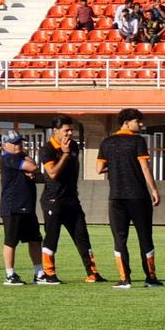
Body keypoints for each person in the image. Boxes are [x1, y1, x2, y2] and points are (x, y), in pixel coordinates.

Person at [96, 108, 162, 288]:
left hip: (116, 198)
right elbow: (145, 167)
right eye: (138, 121)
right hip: (138, 196)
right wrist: (154, 190)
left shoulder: (107, 142)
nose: (141, 124)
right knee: (145, 237)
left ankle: (125, 279)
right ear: (127, 122)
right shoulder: (137, 141)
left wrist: (117, 166)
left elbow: (99, 169)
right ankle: (151, 278)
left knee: (120, 238)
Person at [37, 115, 105, 284]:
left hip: (72, 200)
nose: (70, 133)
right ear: (55, 131)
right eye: (66, 130)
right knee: (52, 236)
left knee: (82, 236)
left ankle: (92, 273)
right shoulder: (47, 149)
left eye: (71, 130)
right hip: (53, 200)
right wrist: (65, 155)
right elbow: (52, 173)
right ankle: (49, 273)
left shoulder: (74, 146)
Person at [0, 130, 44, 286]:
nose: (19, 145)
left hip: (27, 206)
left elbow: (34, 168)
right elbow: (32, 167)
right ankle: (10, 275)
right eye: (15, 143)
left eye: (20, 142)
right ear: (5, 145)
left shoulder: (20, 156)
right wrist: (30, 165)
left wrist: (30, 163)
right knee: (11, 241)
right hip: (12, 206)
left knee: (35, 240)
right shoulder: (8, 158)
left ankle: (39, 273)